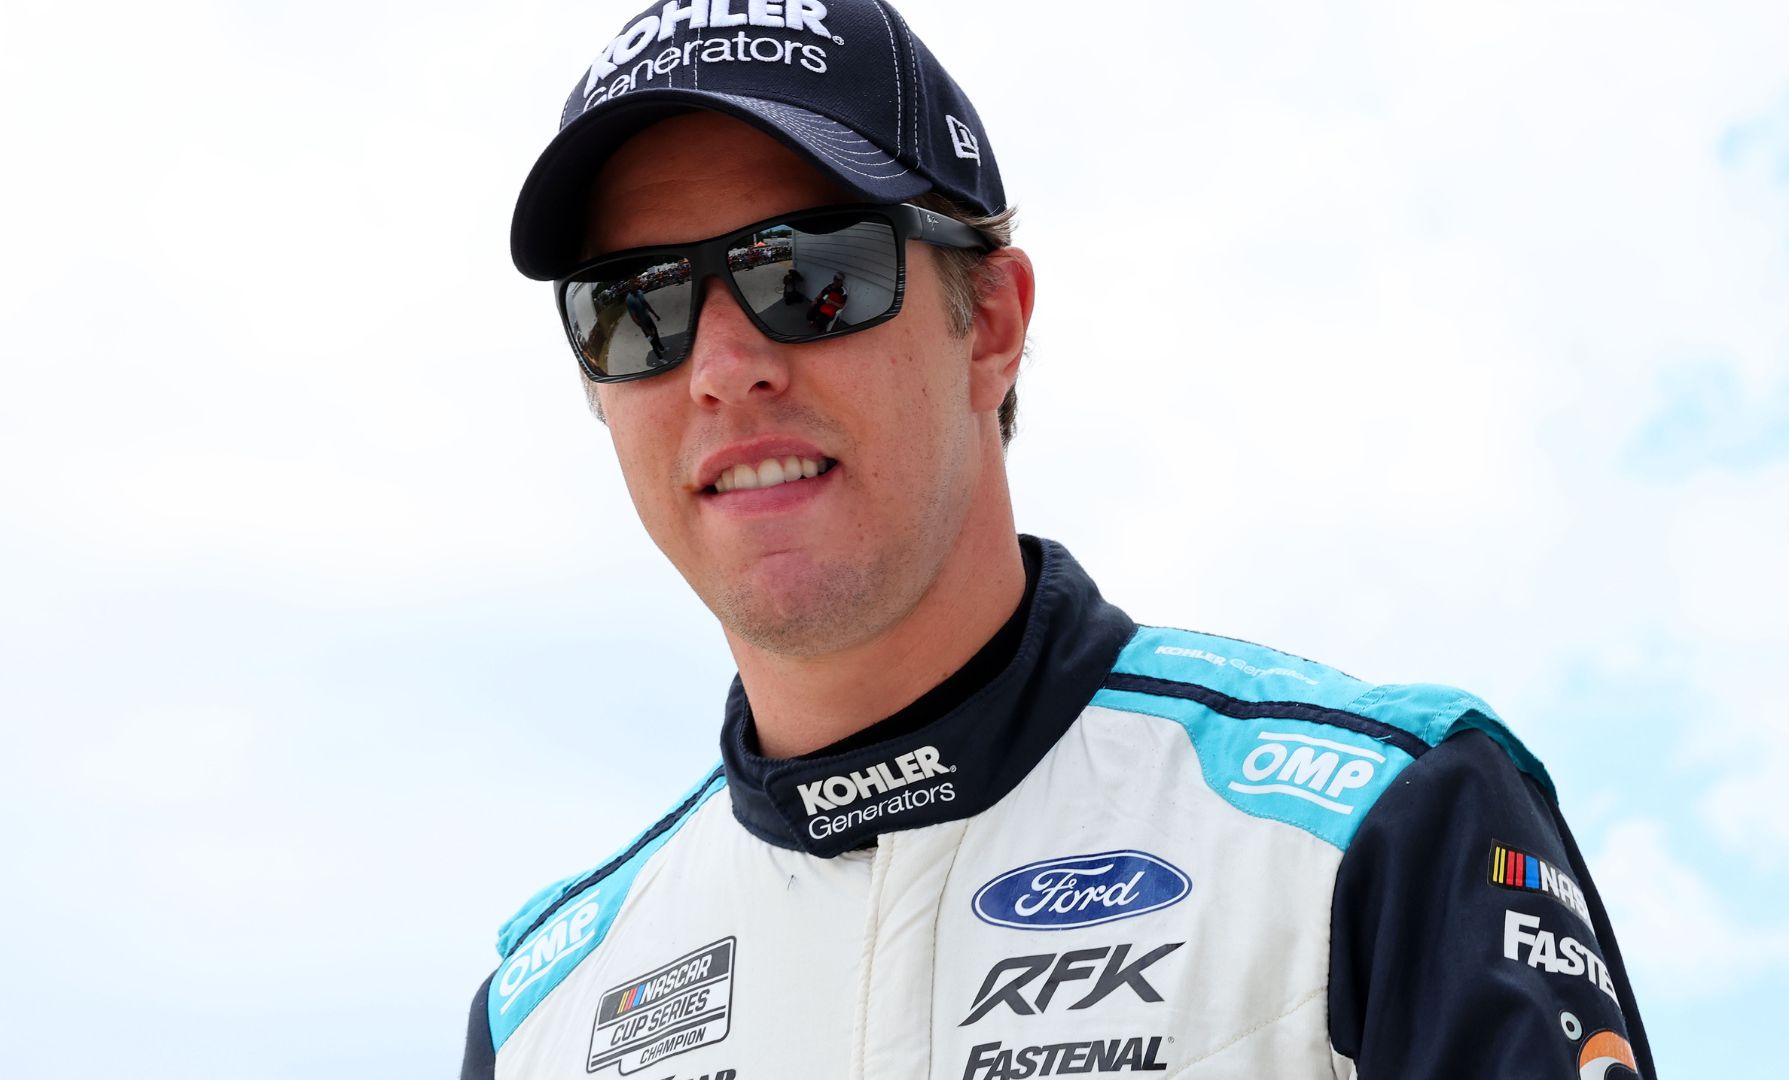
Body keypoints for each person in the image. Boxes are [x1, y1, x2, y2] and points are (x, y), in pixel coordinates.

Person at [464, 3, 1658, 1079]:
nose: (724, 371)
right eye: (638, 307)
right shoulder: (538, 1018)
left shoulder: (1378, 835)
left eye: (811, 274)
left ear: (989, 323)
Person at [623, 287, 666, 360]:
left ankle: (661, 347)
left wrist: (655, 314)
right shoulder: (629, 300)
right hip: (643, 323)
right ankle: (659, 356)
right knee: (651, 339)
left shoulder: (639, 292)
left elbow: (646, 304)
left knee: (655, 332)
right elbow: (634, 318)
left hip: (648, 318)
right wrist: (645, 329)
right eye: (634, 283)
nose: (636, 284)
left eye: (637, 281)